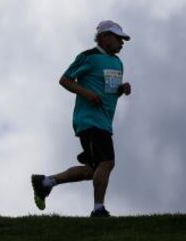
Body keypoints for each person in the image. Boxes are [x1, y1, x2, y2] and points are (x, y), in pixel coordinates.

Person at [31, 20, 131, 217]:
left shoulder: (118, 63)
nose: (122, 42)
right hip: (89, 120)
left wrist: (120, 90)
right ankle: (98, 209)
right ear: (104, 37)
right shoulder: (88, 57)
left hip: (104, 122)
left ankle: (46, 182)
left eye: (123, 39)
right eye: (118, 38)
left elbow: (108, 92)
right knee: (107, 163)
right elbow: (65, 80)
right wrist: (86, 94)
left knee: (92, 171)